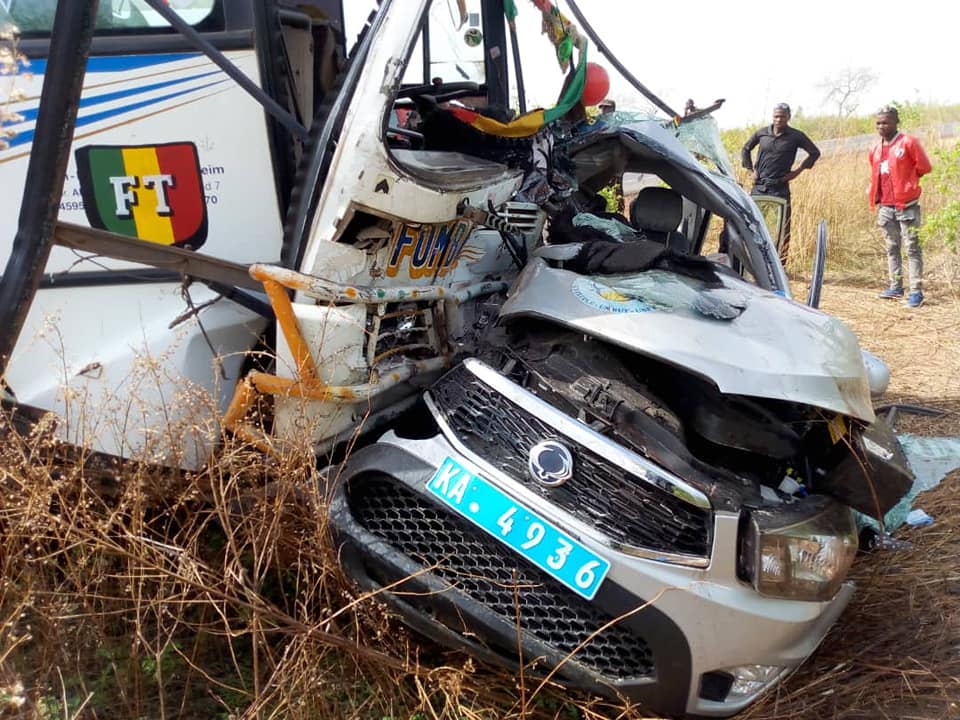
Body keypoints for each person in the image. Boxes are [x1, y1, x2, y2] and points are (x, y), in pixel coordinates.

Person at [740, 103, 821, 264]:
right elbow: (745, 149)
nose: (778, 120)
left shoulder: (796, 136)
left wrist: (796, 172)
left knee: (783, 228)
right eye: (776, 116)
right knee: (752, 224)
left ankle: (780, 264)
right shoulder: (762, 133)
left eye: (782, 117)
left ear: (788, 117)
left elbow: (814, 153)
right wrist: (751, 171)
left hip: (780, 188)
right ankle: (752, 261)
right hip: (760, 186)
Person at [869, 105, 932, 308]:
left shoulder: (908, 142)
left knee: (912, 247)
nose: (881, 126)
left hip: (906, 204)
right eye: (878, 122)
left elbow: (924, 167)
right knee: (891, 247)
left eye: (885, 122)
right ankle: (896, 285)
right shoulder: (875, 148)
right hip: (885, 206)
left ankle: (916, 291)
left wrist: (909, 183)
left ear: (896, 122)